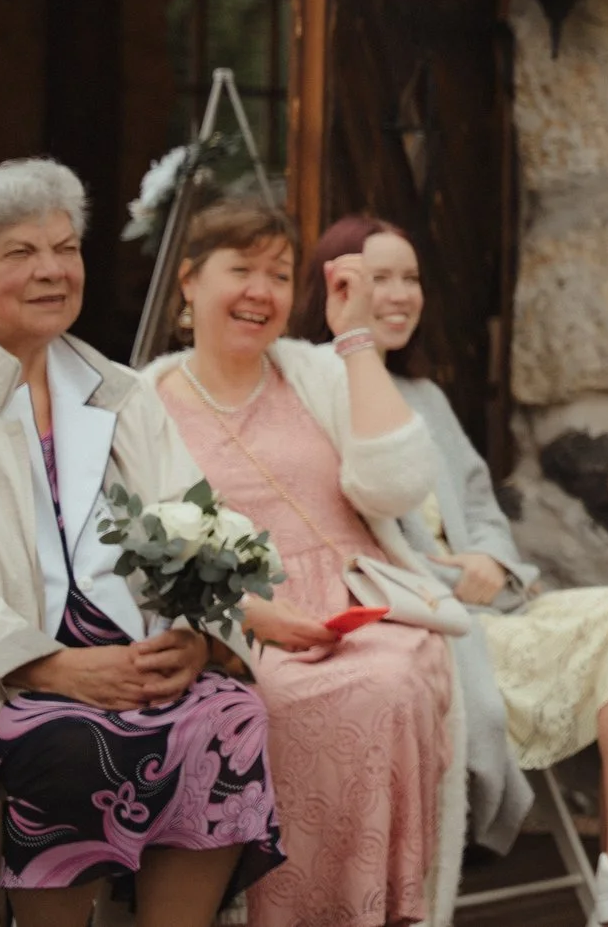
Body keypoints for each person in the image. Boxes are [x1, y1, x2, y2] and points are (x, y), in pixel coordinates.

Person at [291, 213, 608, 927]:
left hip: (492, 602)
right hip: (429, 625)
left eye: (412, 277)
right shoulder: (311, 393)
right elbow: (347, 541)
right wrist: (450, 575)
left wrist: (492, 559)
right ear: (336, 287)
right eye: (381, 277)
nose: (402, 294)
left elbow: (479, 500)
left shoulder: (425, 396)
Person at [0, 158, 283, 927]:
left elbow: (203, 525)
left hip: (135, 660)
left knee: (228, 711)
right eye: (20, 253)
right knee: (69, 737)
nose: (53, 270)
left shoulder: (118, 393)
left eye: (66, 248)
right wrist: (49, 663)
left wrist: (195, 640)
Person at [145, 197, 459, 927]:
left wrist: (354, 343)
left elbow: (399, 483)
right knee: (272, 704)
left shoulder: (316, 370)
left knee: (388, 681)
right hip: (241, 622)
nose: (261, 289)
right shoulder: (144, 400)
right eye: (242, 268)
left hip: (361, 603)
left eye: (280, 274)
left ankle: (375, 913)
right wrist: (247, 613)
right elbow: (146, 553)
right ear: (190, 282)